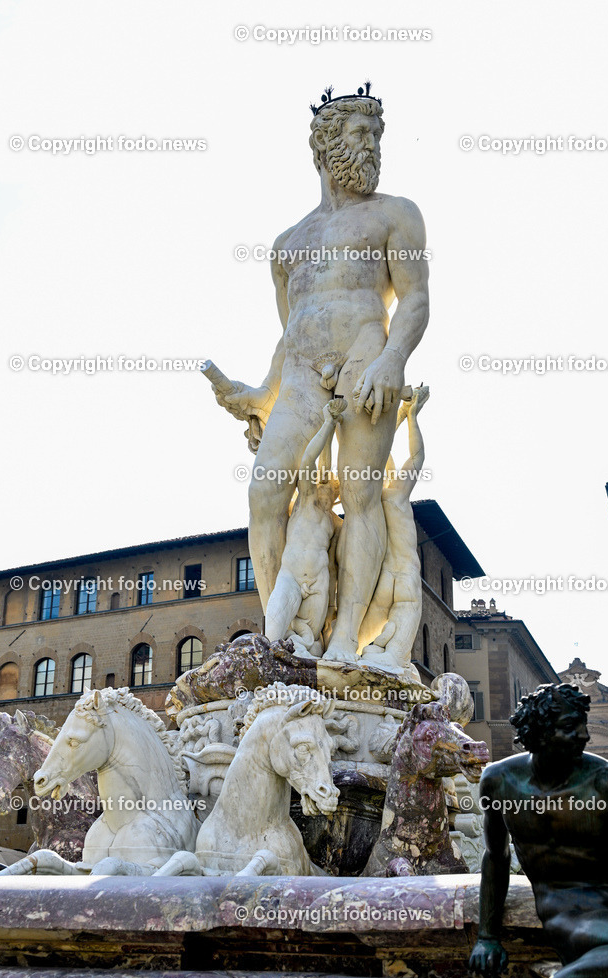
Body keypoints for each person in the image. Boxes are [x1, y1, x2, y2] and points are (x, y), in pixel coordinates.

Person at [211, 86, 429, 663]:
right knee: (264, 492)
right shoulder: (288, 245)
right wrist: (261, 393)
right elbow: (291, 332)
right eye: (362, 134)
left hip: (365, 358)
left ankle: (342, 640)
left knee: (359, 493)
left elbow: (414, 300)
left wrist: (391, 361)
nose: (374, 146)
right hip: (304, 372)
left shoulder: (395, 214)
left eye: (377, 135)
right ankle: (281, 639)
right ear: (328, 146)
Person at [469, 682, 608, 978]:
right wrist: (487, 936)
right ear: (540, 733)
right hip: (570, 914)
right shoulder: (499, 782)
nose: (585, 735)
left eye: (584, 724)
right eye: (571, 727)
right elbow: (496, 858)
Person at [265, 398, 345, 656]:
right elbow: (312, 460)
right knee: (274, 632)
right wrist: (329, 424)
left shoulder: (335, 521)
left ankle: (302, 676)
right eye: (327, 483)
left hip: (319, 581)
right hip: (291, 575)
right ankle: (270, 665)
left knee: (313, 645)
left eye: (334, 488)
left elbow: (335, 562)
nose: (330, 487)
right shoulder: (306, 498)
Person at [359, 385, 430, 674]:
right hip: (406, 580)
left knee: (357, 643)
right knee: (398, 659)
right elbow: (417, 457)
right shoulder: (398, 495)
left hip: (383, 582)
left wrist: (397, 417)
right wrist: (412, 416)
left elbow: (381, 449)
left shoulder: (370, 501)